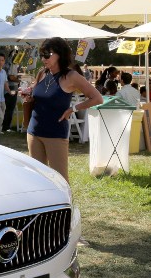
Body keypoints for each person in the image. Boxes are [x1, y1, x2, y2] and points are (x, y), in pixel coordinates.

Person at [25, 37, 102, 183]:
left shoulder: (71, 76)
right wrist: (29, 97)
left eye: (47, 54)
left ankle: (65, 205)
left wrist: (72, 109)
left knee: (60, 180)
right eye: (42, 55)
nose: (43, 58)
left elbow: (97, 98)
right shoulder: (42, 73)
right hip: (34, 132)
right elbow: (37, 95)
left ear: (59, 54)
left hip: (55, 134)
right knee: (37, 179)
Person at [2, 58, 20, 133]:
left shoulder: (9, 64)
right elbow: (11, 77)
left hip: (11, 90)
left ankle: (6, 126)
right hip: (10, 90)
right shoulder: (11, 64)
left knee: (9, 109)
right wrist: (19, 80)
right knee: (9, 109)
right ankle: (5, 127)